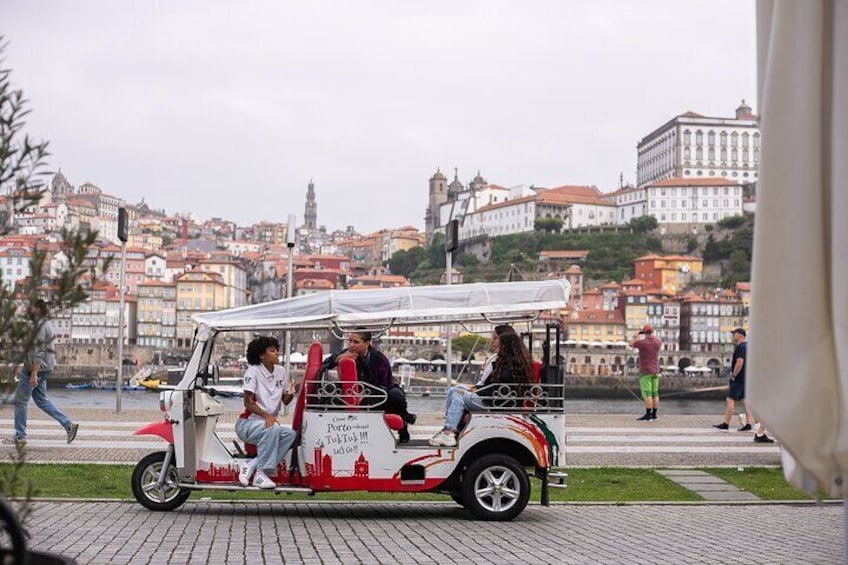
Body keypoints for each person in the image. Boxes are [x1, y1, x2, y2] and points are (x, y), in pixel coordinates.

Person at [429, 328, 531, 447]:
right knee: (455, 389)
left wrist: (477, 390)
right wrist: (476, 389)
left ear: (504, 342)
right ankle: (449, 429)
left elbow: (497, 389)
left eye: (495, 338)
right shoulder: (510, 361)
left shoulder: (509, 364)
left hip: (495, 404)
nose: (492, 342)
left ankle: (449, 431)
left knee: (458, 394)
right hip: (494, 400)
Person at [326, 331, 416, 443]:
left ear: (367, 343)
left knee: (396, 394)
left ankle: (403, 424)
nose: (352, 345)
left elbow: (385, 384)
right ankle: (406, 416)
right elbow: (325, 364)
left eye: (356, 342)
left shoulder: (379, 358)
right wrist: (338, 358)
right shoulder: (347, 353)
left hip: (378, 391)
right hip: (354, 393)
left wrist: (364, 394)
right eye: (350, 341)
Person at [10, 299, 78, 445]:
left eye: (31, 307)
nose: (29, 309)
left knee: (20, 401)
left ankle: (20, 436)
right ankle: (68, 425)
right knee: (41, 400)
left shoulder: (40, 326)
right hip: (43, 367)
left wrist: (33, 373)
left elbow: (39, 351)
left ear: (38, 309)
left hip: (35, 368)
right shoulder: (45, 323)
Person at [236, 336, 297, 489]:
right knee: (273, 427)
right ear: (261, 355)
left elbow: (285, 401)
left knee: (291, 435)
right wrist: (267, 416)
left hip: (268, 425)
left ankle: (252, 464)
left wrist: (291, 393)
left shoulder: (281, 371)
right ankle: (260, 475)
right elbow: (248, 402)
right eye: (272, 351)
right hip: (248, 424)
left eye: (277, 350)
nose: (277, 353)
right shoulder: (253, 371)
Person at [713, 328, 754, 432]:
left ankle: (726, 424)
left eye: (734, 334)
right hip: (746, 377)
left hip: (738, 378)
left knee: (730, 399)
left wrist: (733, 374)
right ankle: (749, 424)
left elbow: (740, 362)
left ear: (740, 335)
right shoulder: (747, 346)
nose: (732, 336)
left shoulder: (740, 347)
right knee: (745, 400)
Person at [630, 324, 662, 421]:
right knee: (655, 393)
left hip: (646, 371)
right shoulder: (658, 342)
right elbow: (654, 340)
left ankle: (648, 415)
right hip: (656, 371)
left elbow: (631, 344)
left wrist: (635, 336)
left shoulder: (642, 343)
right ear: (652, 332)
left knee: (647, 394)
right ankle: (654, 415)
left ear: (644, 333)